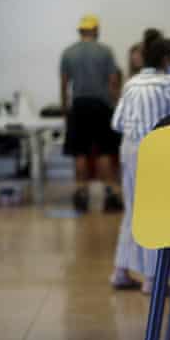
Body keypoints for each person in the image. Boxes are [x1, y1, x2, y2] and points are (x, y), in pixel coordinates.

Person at [110, 37, 170, 292]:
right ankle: (153, 279)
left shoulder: (132, 84)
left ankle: (120, 271)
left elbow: (117, 123)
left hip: (129, 150)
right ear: (166, 59)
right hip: (157, 152)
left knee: (132, 211)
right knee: (157, 212)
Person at [60, 14, 123, 213]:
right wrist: (115, 104)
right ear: (96, 30)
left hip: (78, 106)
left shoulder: (68, 53)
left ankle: (81, 193)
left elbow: (64, 84)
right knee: (104, 151)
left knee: (80, 152)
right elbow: (113, 81)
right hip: (101, 106)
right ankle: (110, 194)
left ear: (80, 31)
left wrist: (65, 109)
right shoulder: (105, 52)